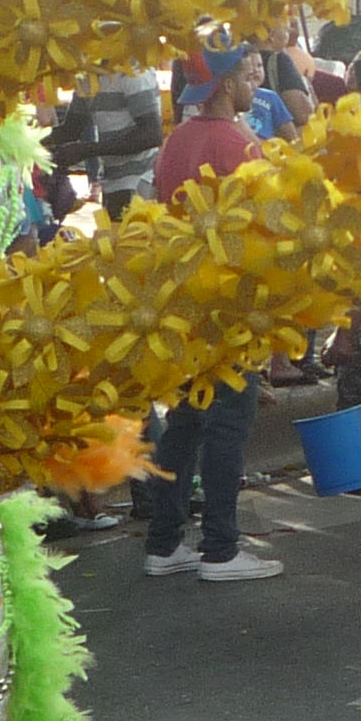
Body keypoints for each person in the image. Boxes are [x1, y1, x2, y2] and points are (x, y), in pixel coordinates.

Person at [142, 45, 281, 582]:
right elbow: (267, 224)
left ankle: (164, 541)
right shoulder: (236, 143)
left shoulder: (176, 141)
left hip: (182, 301)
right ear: (225, 85)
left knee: (185, 422)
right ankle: (220, 548)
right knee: (228, 423)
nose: (255, 83)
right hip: (229, 304)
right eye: (248, 75)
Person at [47, 67, 163, 219]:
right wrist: (30, 142)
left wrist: (88, 150)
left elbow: (152, 134)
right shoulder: (86, 77)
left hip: (139, 182)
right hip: (112, 180)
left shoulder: (133, 73)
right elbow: (71, 129)